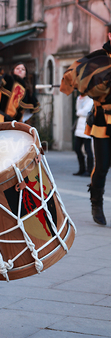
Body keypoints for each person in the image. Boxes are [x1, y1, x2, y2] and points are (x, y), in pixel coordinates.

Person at [61, 32, 111, 226]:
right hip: (102, 120)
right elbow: (73, 76)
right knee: (102, 165)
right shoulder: (98, 56)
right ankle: (96, 202)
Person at [73, 94, 94, 177]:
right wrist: (79, 99)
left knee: (87, 149)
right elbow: (78, 110)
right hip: (79, 128)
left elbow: (85, 112)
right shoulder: (83, 99)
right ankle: (82, 169)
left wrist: (79, 112)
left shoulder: (91, 100)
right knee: (77, 148)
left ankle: (89, 170)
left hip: (87, 127)